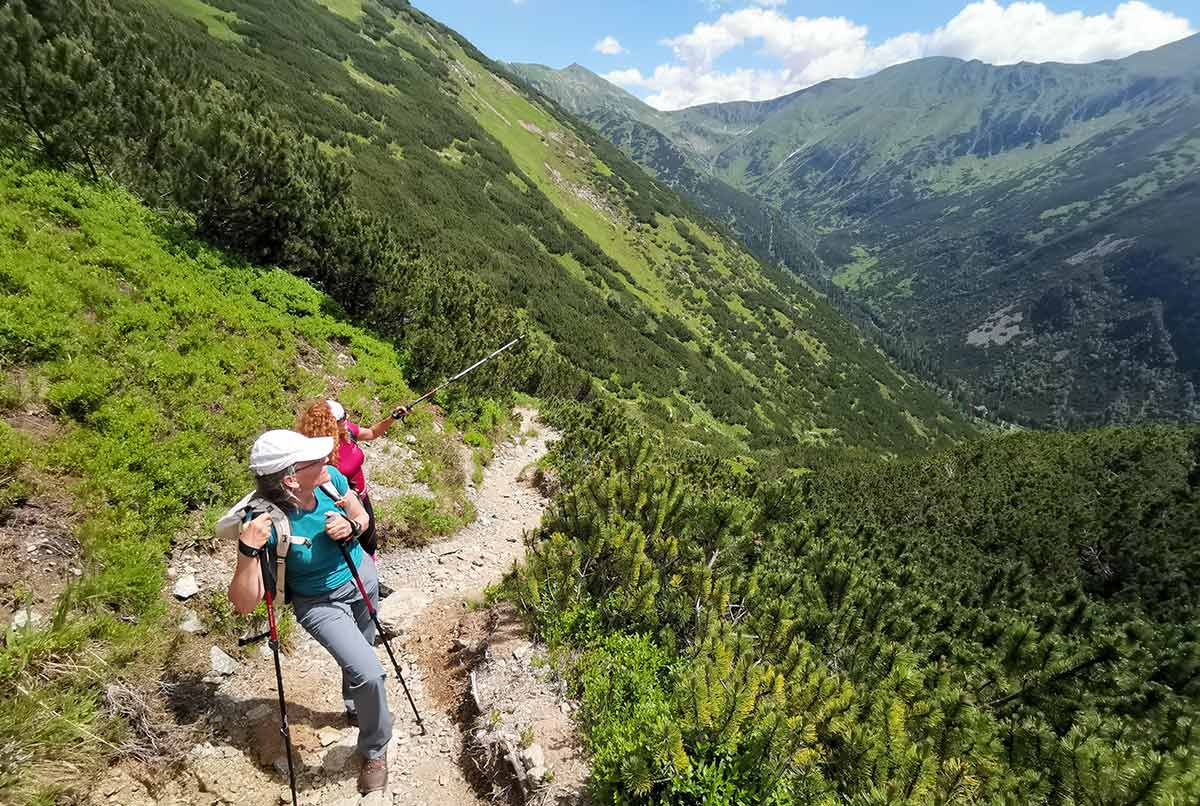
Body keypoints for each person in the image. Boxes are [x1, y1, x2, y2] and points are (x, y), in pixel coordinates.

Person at [228, 429, 391, 795]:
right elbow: (244, 603)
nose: (327, 460)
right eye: (315, 459)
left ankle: (355, 707)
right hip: (318, 602)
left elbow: (361, 516)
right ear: (289, 478)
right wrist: (247, 551)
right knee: (370, 674)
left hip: (360, 574)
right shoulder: (262, 522)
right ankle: (376, 750)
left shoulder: (330, 479)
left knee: (362, 656)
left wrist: (352, 525)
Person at [295, 399, 409, 558]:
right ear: (330, 425)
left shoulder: (348, 432)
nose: (347, 420)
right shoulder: (317, 453)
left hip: (361, 495)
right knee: (348, 542)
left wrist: (392, 418)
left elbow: (372, 433)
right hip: (341, 501)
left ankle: (368, 570)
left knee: (370, 541)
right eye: (342, 418)